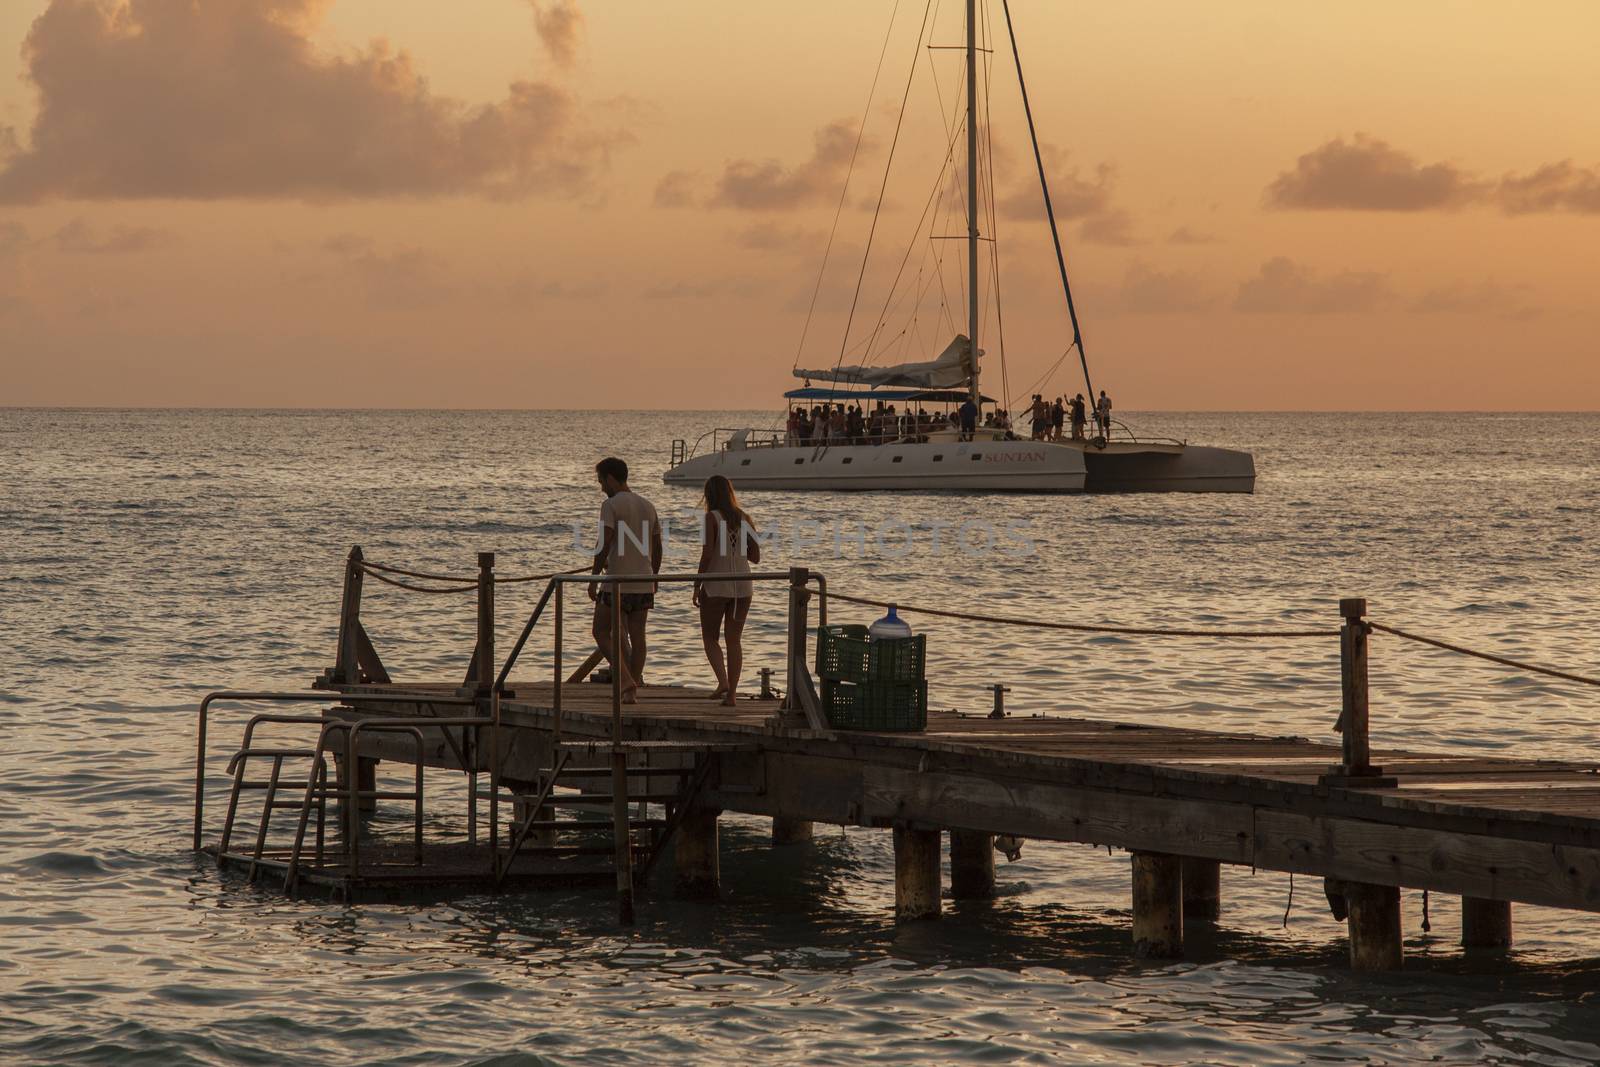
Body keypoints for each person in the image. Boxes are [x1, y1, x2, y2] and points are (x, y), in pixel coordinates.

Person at [590, 456, 661, 704]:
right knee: (638, 635)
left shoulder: (611, 505)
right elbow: (658, 545)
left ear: (610, 478)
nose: (601, 487)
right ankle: (632, 688)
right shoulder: (648, 505)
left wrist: (594, 577)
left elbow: (604, 542)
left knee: (600, 630)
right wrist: (655, 576)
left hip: (617, 580)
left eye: (601, 481)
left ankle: (624, 678)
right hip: (644, 580)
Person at [693, 475, 760, 706]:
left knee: (710, 637)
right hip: (743, 584)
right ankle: (732, 696)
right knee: (734, 640)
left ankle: (723, 681)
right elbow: (756, 557)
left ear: (709, 495)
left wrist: (697, 583)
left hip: (717, 583)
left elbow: (708, 554)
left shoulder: (711, 518)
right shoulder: (745, 519)